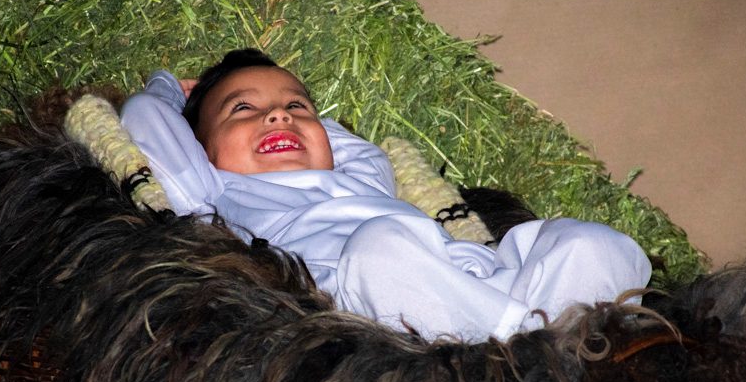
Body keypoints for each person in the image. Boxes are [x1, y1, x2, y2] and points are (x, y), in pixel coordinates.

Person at [121, 49, 651, 342]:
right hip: (367, 299)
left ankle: (566, 347)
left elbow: (344, 143)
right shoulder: (215, 192)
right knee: (384, 244)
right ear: (199, 147)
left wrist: (295, 114)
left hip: (476, 285)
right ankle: (529, 360)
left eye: (296, 106)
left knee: (591, 244)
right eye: (243, 109)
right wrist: (171, 88)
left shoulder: (366, 177)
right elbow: (145, 124)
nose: (277, 115)